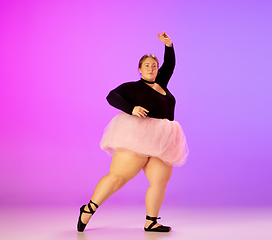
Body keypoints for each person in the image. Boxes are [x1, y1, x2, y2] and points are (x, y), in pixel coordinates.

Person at [77, 31, 188, 233]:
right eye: (147, 65)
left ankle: (151, 222)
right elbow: (112, 96)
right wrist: (132, 109)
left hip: (162, 139)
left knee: (159, 182)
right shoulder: (133, 87)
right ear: (139, 69)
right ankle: (89, 209)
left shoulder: (161, 83)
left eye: (154, 66)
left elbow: (170, 65)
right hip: (138, 136)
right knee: (118, 177)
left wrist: (169, 45)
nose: (152, 68)